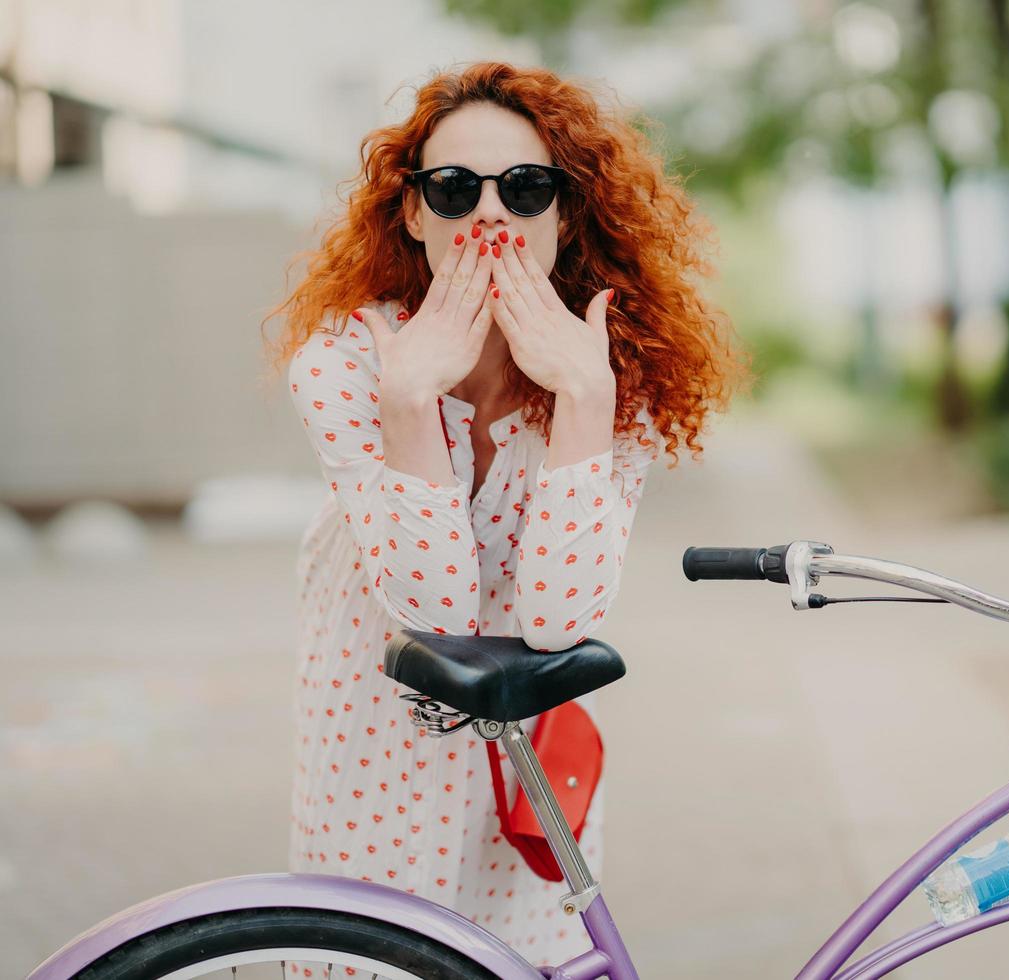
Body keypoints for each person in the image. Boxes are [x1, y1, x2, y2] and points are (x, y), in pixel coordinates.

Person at [261, 60, 746, 969]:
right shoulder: (341, 364)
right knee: (375, 958)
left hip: (527, 736)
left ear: (564, 217)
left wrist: (584, 399)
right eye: (453, 188)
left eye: (525, 189)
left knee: (533, 958)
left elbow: (561, 622)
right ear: (412, 212)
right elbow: (434, 614)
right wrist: (409, 402)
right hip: (376, 729)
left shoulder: (609, 377)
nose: (489, 214)